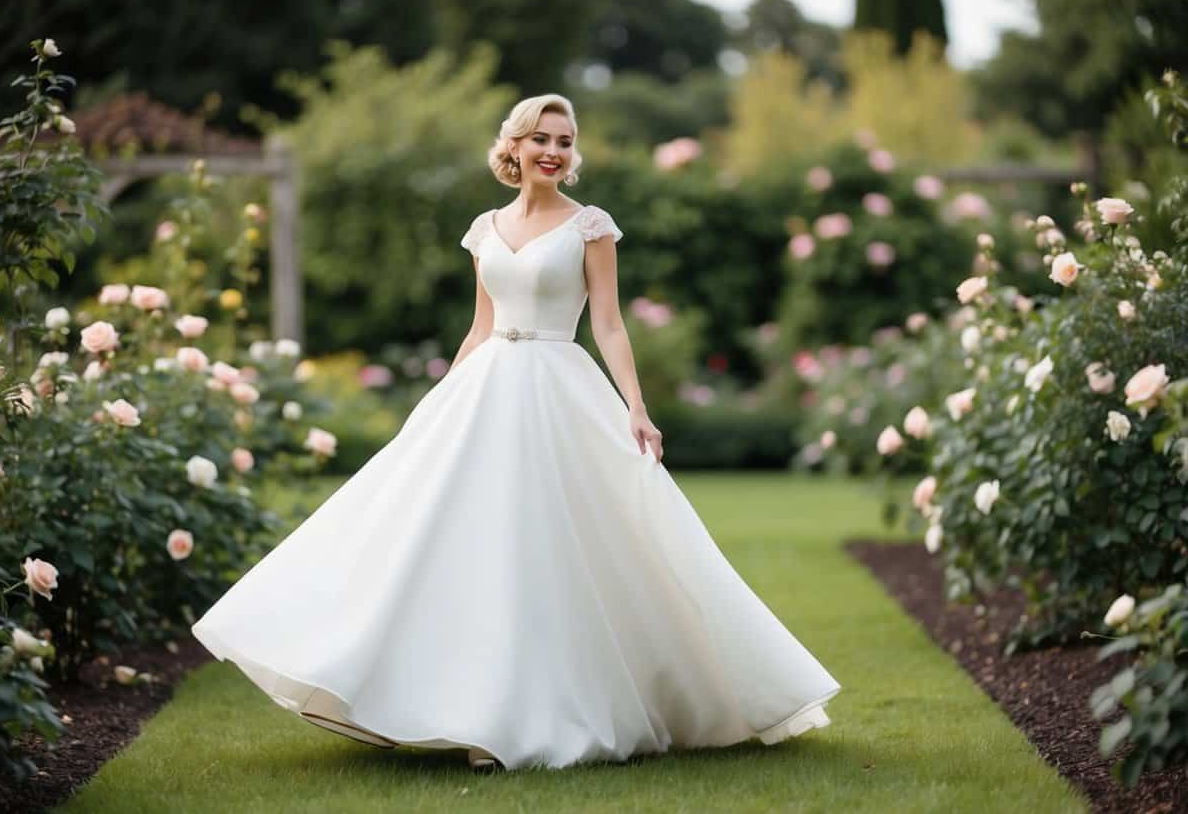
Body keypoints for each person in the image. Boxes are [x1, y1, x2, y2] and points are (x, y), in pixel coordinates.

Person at [191, 93, 840, 771]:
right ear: (516, 147)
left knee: (556, 544)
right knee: (461, 542)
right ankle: (460, 703)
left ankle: (550, 710)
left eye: (565, 140)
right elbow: (479, 324)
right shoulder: (485, 228)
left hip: (560, 386)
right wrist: (440, 402)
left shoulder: (591, 226)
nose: (554, 151)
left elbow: (609, 324)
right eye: (542, 139)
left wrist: (637, 407)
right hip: (489, 384)